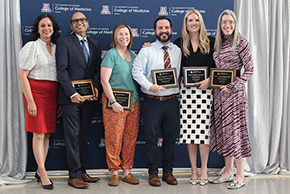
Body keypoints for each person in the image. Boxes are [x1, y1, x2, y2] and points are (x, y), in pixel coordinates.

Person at [132, 16, 181, 186]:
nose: (164, 31)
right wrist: (149, 85)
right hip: (152, 100)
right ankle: (153, 172)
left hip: (172, 101)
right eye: (160, 28)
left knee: (170, 137)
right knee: (151, 137)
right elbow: (136, 71)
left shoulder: (177, 50)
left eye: (166, 28)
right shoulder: (147, 50)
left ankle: (168, 171)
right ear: (155, 31)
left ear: (171, 30)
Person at [56, 12, 101, 189]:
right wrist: (72, 93)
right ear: (71, 25)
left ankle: (82, 171)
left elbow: (97, 69)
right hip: (71, 99)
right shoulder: (64, 42)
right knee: (72, 136)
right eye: (75, 21)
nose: (79, 23)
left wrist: (96, 86)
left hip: (89, 98)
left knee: (83, 136)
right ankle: (73, 175)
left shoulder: (95, 44)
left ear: (87, 24)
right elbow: (61, 70)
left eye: (82, 20)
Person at [209, 9, 253, 189]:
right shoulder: (217, 44)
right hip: (219, 96)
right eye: (224, 22)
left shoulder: (242, 43)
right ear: (220, 25)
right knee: (224, 134)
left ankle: (240, 175)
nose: (227, 26)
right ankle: (227, 172)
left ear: (235, 24)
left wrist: (233, 85)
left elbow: (249, 70)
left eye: (230, 22)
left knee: (236, 135)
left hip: (234, 97)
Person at [19, 14, 60, 190]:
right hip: (35, 93)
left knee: (47, 134)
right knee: (38, 134)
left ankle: (39, 169)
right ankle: (43, 173)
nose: (46, 28)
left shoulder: (57, 48)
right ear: (38, 29)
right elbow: (22, 76)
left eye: (49, 25)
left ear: (53, 28)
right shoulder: (32, 47)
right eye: (42, 25)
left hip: (52, 95)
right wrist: (31, 101)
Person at [174, 9, 215, 186]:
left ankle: (204, 169)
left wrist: (209, 81)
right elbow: (168, 60)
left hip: (206, 92)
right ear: (186, 23)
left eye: (196, 20)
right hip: (187, 94)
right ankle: (193, 170)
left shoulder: (211, 41)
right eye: (190, 20)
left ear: (201, 22)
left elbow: (218, 67)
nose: (193, 23)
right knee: (190, 133)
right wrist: (148, 47)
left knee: (204, 133)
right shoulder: (179, 42)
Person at [100, 23, 140, 187]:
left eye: (127, 34)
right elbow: (104, 80)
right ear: (115, 37)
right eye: (120, 34)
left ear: (131, 37)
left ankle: (127, 172)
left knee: (130, 138)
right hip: (114, 104)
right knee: (114, 138)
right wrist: (113, 101)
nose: (124, 37)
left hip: (133, 103)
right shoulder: (111, 54)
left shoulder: (134, 55)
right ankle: (114, 172)